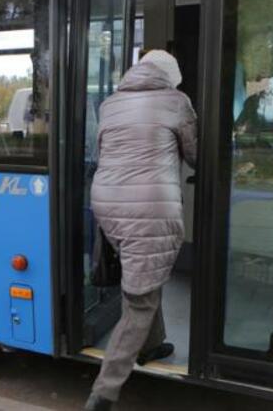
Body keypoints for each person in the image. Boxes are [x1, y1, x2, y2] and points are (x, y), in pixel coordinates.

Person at [84, 50, 198, 411]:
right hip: (148, 205)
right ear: (171, 76)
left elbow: (105, 150)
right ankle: (103, 393)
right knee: (140, 299)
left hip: (106, 202)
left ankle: (152, 345)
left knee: (145, 274)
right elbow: (195, 154)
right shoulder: (177, 101)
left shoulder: (111, 103)